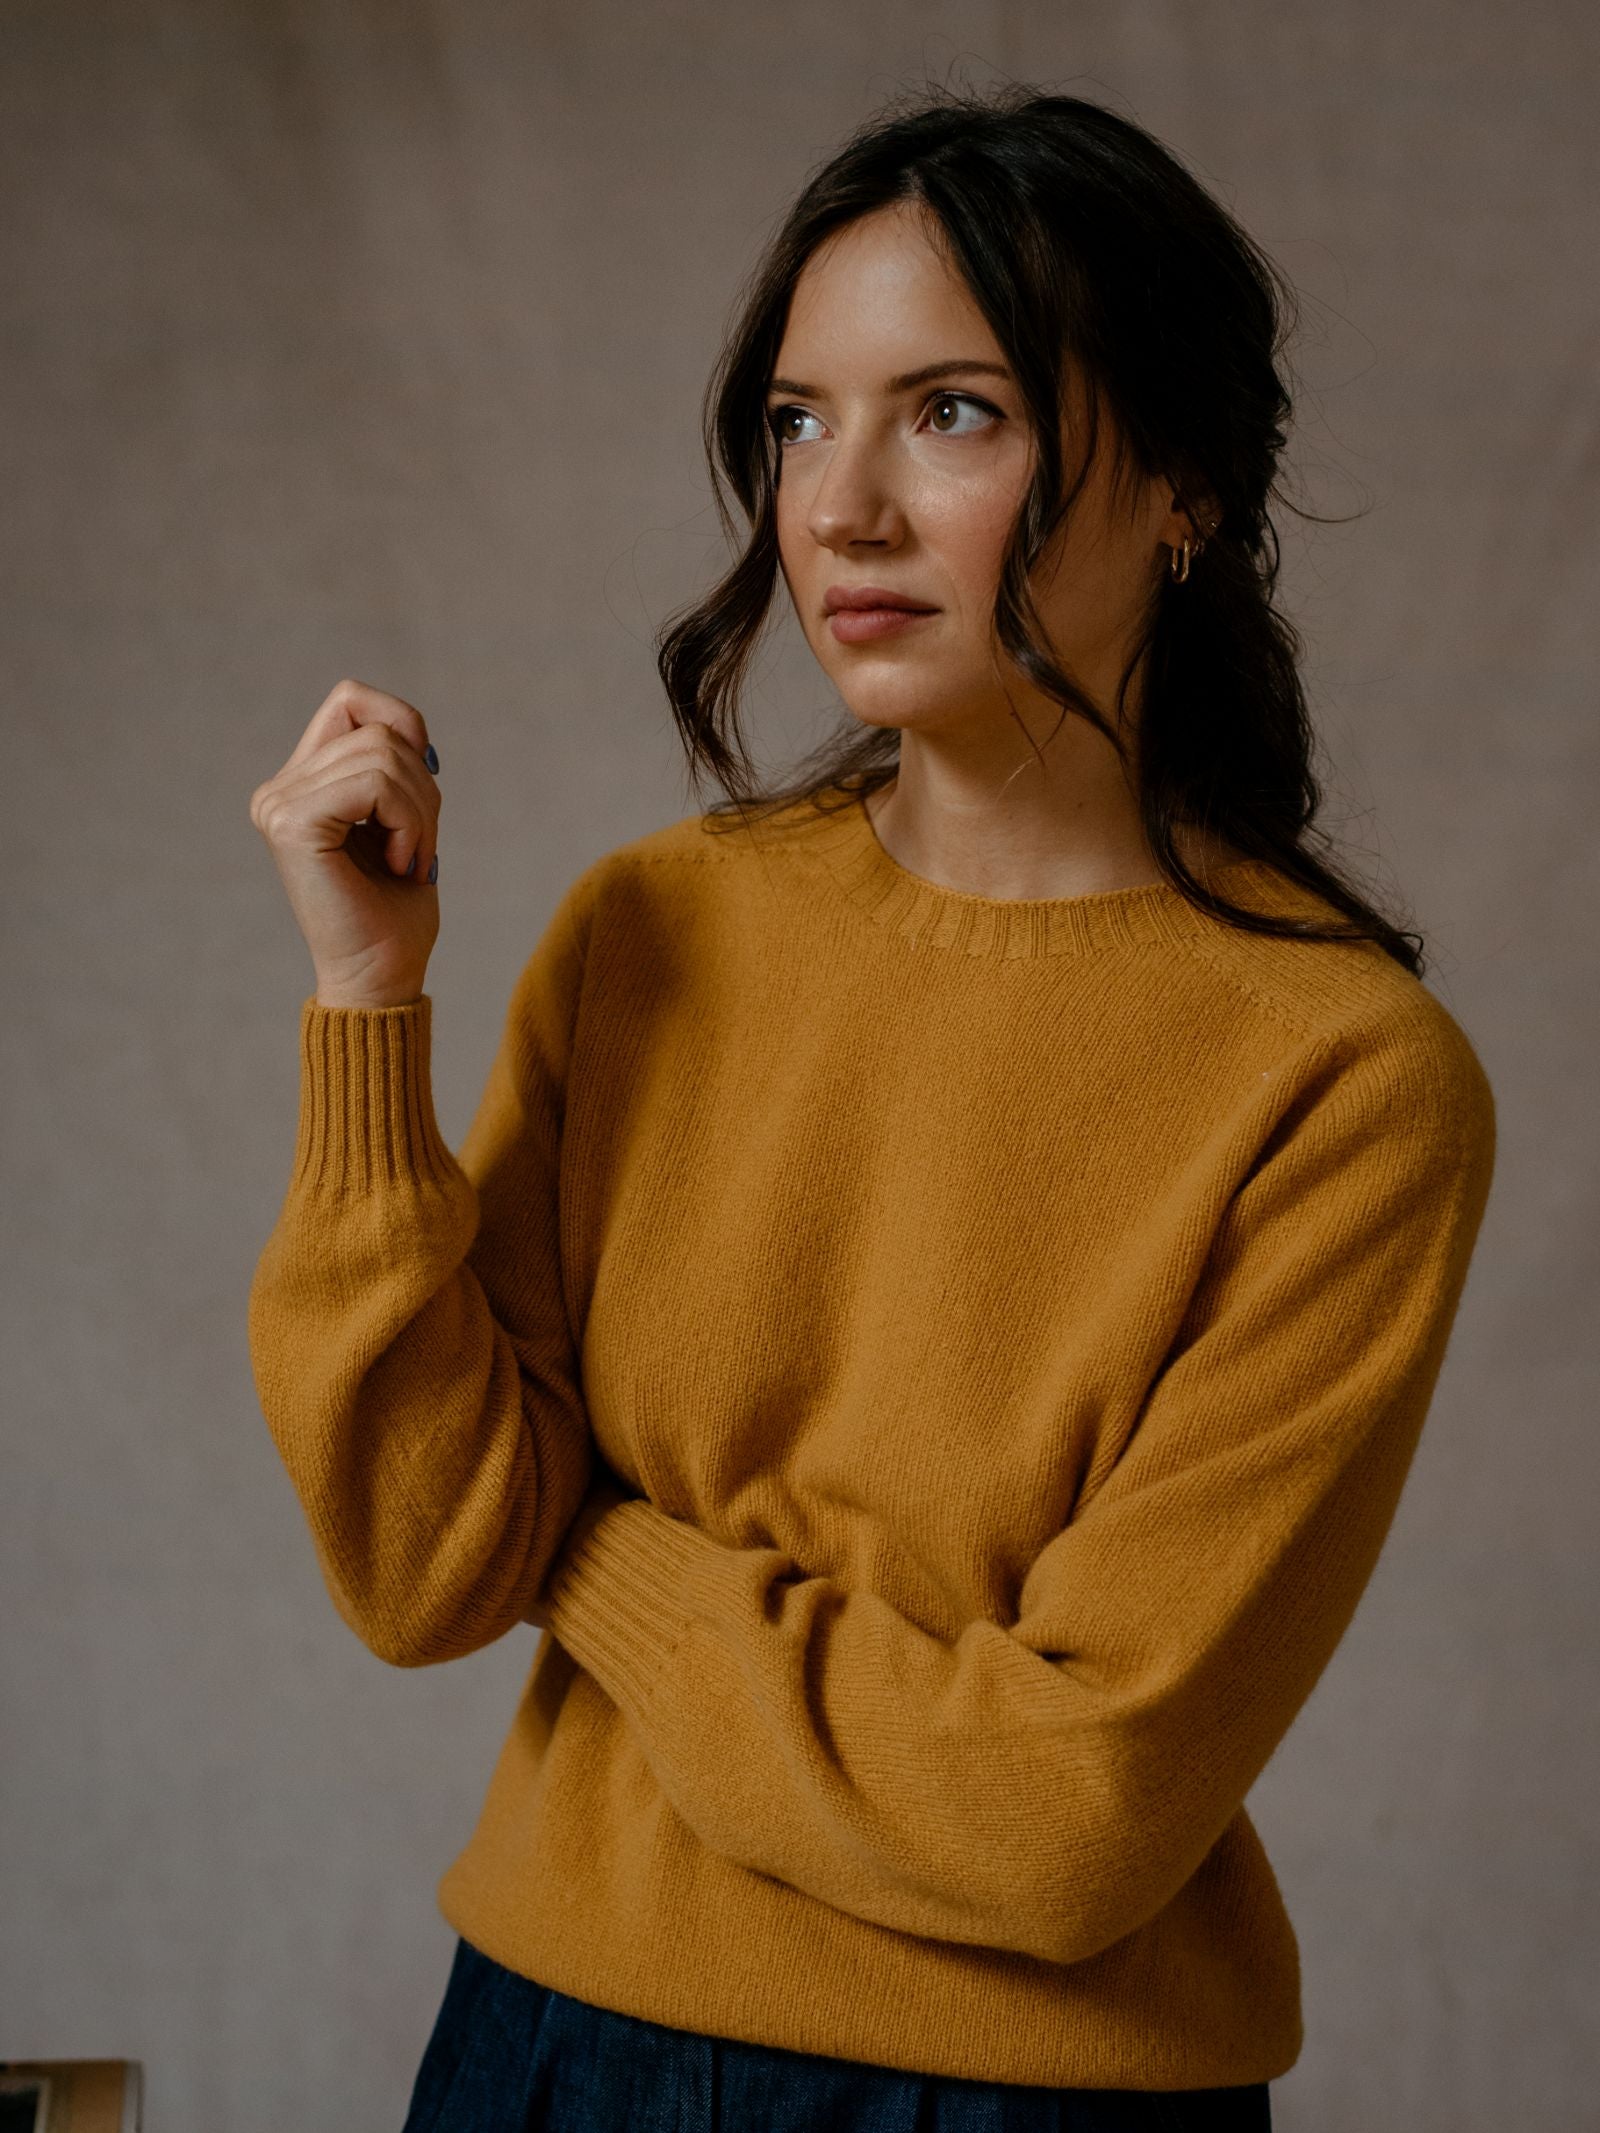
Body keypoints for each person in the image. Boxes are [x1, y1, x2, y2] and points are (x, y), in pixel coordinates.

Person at [246, 82, 1496, 2133]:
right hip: (546, 2041)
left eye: (953, 413)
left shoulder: (1341, 1079)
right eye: (797, 420)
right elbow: (423, 1560)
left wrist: (611, 1552)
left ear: (1176, 476)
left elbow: (1058, 1818)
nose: (837, 508)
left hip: (1034, 2099)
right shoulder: (655, 928)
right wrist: (366, 1004)